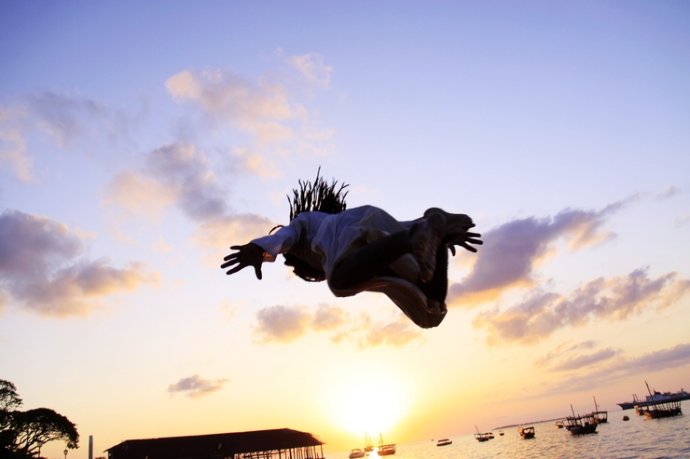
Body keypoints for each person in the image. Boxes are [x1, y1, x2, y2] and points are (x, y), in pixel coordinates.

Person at [220, 171, 482, 328]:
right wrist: (439, 235)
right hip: (379, 228)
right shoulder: (354, 236)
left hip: (353, 231)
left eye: (313, 275)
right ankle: (435, 225)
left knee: (339, 282)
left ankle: (422, 233)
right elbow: (396, 228)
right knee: (429, 310)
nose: (317, 275)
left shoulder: (305, 227)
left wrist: (259, 248)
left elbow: (285, 236)